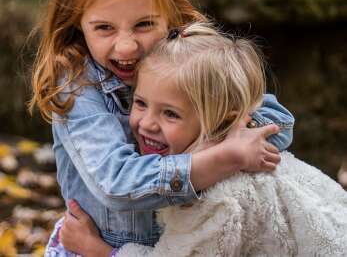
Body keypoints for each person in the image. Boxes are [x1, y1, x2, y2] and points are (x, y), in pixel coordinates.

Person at [28, 0, 294, 256]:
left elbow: (277, 123)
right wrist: (221, 157)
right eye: (104, 28)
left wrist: (219, 139)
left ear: (169, 15)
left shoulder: (186, 60)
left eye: (144, 24)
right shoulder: (77, 87)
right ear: (77, 23)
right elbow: (119, 184)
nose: (126, 48)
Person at [60, 23, 347, 257]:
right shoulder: (237, 146)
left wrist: (97, 250)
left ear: (222, 121)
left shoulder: (217, 196)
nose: (146, 123)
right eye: (140, 103)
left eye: (170, 114)